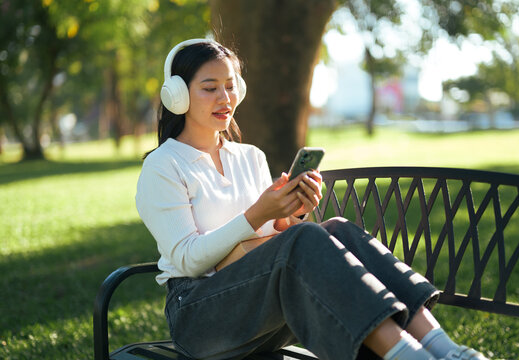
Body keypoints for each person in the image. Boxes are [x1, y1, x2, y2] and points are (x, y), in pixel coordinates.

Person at [135, 38, 490, 360]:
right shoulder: (163, 166)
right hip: (199, 317)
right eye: (210, 88)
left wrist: (291, 214)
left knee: (337, 229)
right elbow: (188, 259)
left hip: (268, 312)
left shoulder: (249, 157)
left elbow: (272, 240)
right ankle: (410, 357)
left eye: (230, 87)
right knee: (302, 239)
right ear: (178, 96)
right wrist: (257, 214)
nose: (225, 98)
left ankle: (449, 351)